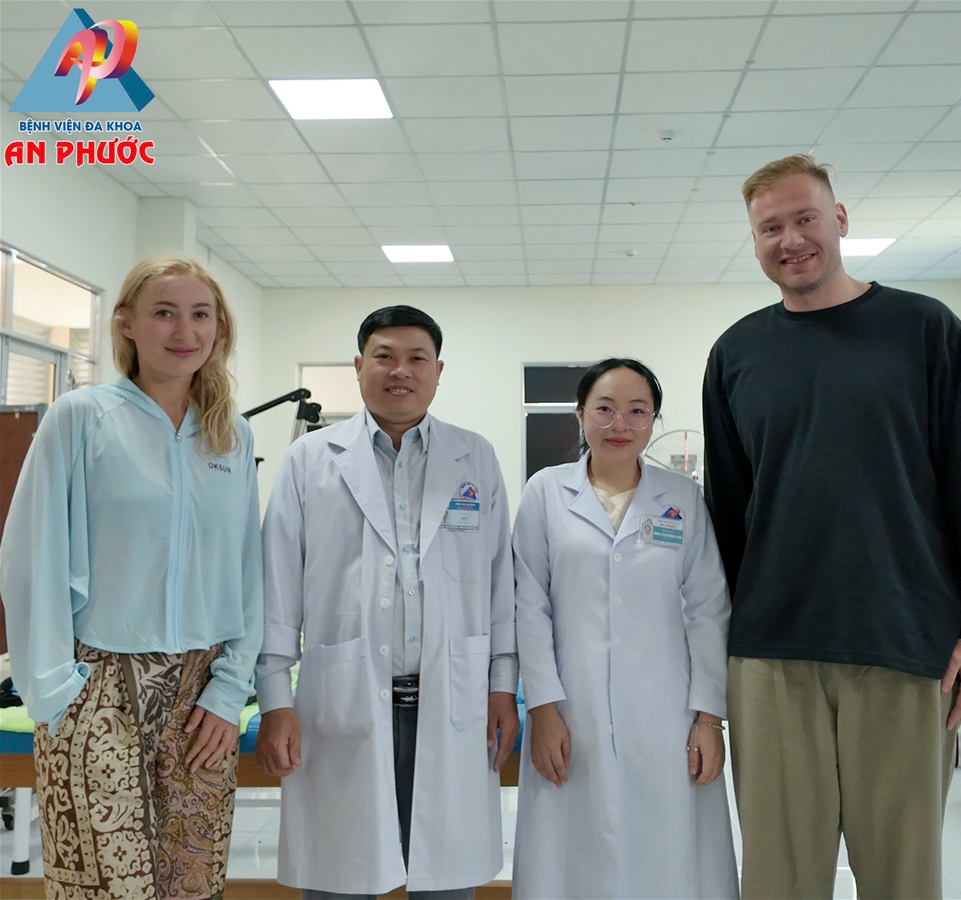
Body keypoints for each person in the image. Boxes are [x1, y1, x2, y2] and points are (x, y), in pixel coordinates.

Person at [702, 154, 961, 900]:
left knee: (902, 875)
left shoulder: (926, 330)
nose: (790, 239)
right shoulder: (737, 354)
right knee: (779, 878)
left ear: (839, 220)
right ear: (754, 241)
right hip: (772, 654)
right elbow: (729, 514)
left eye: (805, 218)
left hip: (904, 644)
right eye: (769, 228)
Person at [0, 256, 263, 900]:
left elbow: (247, 571)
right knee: (102, 888)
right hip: (98, 683)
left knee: (192, 884)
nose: (185, 331)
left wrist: (230, 690)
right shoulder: (81, 417)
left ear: (219, 327)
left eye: (200, 314)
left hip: (203, 692)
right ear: (126, 323)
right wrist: (54, 692)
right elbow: (32, 556)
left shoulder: (231, 435)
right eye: (164, 313)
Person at [255, 305, 519, 900]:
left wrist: (503, 685)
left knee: (445, 881)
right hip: (342, 702)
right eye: (385, 357)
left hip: (453, 699)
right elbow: (276, 589)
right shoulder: (310, 460)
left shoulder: (474, 457)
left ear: (437, 371)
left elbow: (500, 584)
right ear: (358, 366)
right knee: (340, 878)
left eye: (417, 358)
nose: (401, 371)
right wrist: (274, 699)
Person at [512, 358, 738, 900]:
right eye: (605, 409)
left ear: (654, 420)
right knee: (571, 855)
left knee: (667, 854)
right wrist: (542, 709)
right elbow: (528, 605)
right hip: (572, 706)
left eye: (638, 411)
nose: (621, 424)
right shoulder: (546, 492)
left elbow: (709, 608)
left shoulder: (681, 497)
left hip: (666, 712)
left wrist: (709, 718)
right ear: (580, 415)